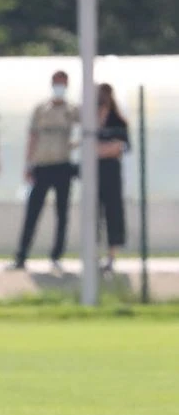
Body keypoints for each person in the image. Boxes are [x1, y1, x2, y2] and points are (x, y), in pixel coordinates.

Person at [14, 70, 80, 269]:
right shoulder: (41, 109)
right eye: (56, 82)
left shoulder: (72, 110)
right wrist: (28, 165)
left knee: (62, 213)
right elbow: (32, 138)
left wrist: (74, 145)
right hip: (42, 166)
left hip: (62, 166)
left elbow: (87, 131)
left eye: (62, 82)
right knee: (33, 212)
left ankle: (56, 255)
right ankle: (21, 254)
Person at [96, 84, 130, 274]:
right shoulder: (90, 122)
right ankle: (95, 255)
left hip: (111, 173)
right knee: (94, 215)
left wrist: (101, 150)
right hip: (94, 174)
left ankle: (111, 257)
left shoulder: (118, 121)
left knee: (113, 214)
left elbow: (120, 147)